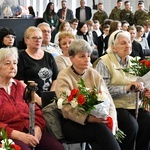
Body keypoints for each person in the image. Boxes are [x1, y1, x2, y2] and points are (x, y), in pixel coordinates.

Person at [55, 39, 121, 150]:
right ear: (71, 59)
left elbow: (108, 99)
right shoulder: (64, 76)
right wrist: (88, 118)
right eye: (82, 56)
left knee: (107, 132)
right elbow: (65, 107)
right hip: (73, 122)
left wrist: (112, 119)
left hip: (97, 120)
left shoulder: (93, 73)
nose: (87, 60)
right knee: (100, 130)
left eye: (88, 56)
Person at [94, 30, 150, 150]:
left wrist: (144, 91)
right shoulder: (104, 62)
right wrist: (127, 88)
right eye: (123, 43)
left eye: (129, 42)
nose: (128, 45)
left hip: (134, 105)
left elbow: (140, 83)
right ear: (113, 47)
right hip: (115, 106)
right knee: (131, 126)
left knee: (148, 122)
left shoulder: (134, 62)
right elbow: (103, 91)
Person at [0, 47, 64, 150]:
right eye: (7, 63)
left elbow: (36, 109)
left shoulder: (20, 86)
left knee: (57, 148)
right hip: (9, 135)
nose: (13, 67)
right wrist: (18, 135)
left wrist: (38, 128)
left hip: (31, 130)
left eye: (15, 63)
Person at [15, 26, 58, 107]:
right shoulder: (20, 57)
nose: (38, 40)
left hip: (50, 99)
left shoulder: (49, 56)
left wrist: (50, 97)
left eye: (40, 38)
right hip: (30, 99)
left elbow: (56, 78)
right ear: (26, 40)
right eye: (34, 37)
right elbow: (20, 82)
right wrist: (39, 100)